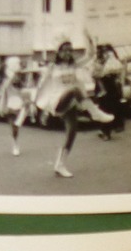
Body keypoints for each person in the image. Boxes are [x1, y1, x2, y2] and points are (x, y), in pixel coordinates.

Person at [33, 40, 115, 178]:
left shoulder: (74, 65)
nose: (67, 52)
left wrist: (89, 39)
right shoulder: (52, 67)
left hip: (70, 101)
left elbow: (90, 55)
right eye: (64, 50)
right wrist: (42, 109)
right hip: (57, 100)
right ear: (58, 52)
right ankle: (95, 113)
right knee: (74, 89)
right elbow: (42, 87)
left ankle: (60, 165)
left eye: (70, 50)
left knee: (72, 133)